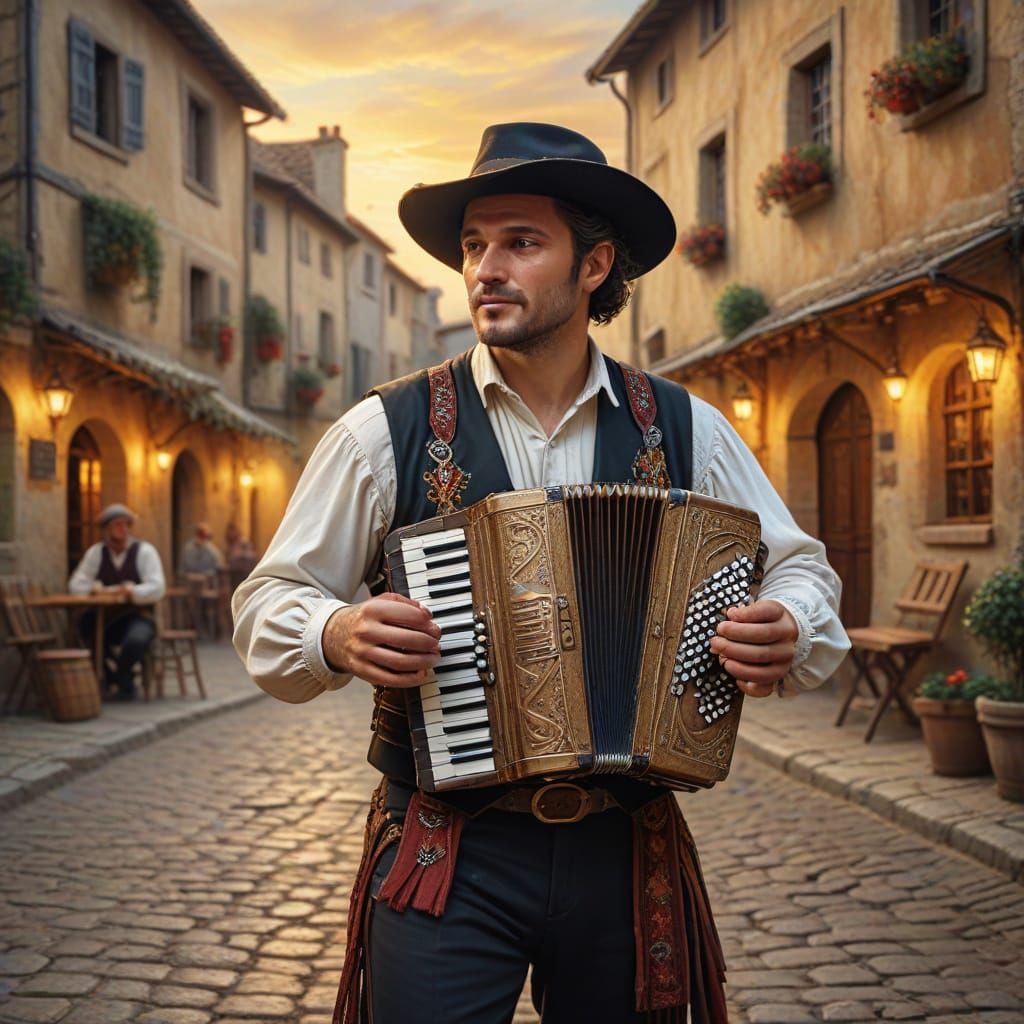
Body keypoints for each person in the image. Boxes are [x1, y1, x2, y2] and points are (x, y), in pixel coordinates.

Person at [233, 123, 850, 1023]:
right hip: (446, 848)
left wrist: (787, 623)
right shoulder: (383, 430)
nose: (485, 267)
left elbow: (800, 568)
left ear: (594, 264)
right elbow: (266, 602)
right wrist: (335, 630)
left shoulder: (687, 428)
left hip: (624, 845)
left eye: (521, 243)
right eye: (475, 245)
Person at [69, 502, 166, 701]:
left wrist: (132, 591)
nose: (122, 530)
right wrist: (95, 589)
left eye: (125, 525)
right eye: (116, 525)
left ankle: (123, 678)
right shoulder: (97, 553)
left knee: (136, 641)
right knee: (85, 629)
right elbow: (76, 585)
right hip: (108, 618)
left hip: (138, 616)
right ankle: (113, 678)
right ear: (106, 530)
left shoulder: (144, 551)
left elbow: (157, 587)